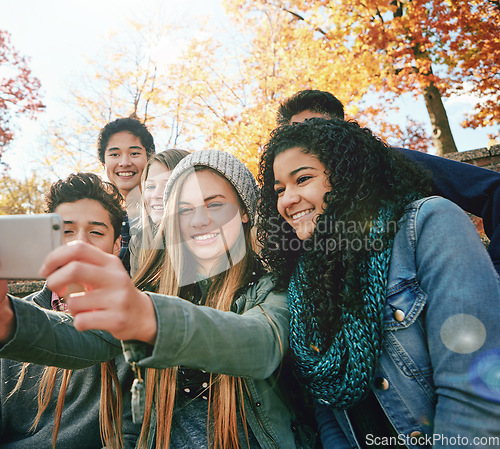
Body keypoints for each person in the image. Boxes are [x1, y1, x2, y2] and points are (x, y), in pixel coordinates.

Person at [0, 151, 312, 449]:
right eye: (185, 209)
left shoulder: (275, 290)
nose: (199, 220)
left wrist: (151, 318)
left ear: (244, 210)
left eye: (215, 205)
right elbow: (88, 335)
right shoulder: (155, 288)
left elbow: (260, 344)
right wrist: (11, 320)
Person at [257, 118, 500, 448]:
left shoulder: (428, 226)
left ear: (347, 173)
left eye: (303, 179)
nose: (286, 200)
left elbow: (473, 391)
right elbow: (328, 407)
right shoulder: (307, 280)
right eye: (279, 190)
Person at [277, 89, 500, 275]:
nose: (309, 142)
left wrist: (493, 271)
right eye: (296, 135)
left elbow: (494, 190)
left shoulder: (396, 163)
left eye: (319, 130)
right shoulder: (293, 208)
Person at [0, 173, 140, 448]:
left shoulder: (134, 320)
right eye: (65, 231)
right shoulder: (11, 317)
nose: (79, 243)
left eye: (96, 232)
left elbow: (134, 431)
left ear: (116, 246)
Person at [97, 117, 156, 272]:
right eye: (115, 155)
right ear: (103, 164)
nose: (124, 162)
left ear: (149, 160)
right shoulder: (102, 217)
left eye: (134, 153)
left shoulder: (163, 212)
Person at [129, 148, 189, 275]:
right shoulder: (139, 241)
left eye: (167, 186)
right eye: (150, 186)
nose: (156, 195)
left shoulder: (201, 239)